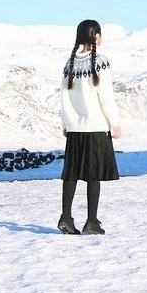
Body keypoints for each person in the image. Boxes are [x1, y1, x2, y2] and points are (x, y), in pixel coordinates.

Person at [58, 19, 121, 235]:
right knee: (93, 176)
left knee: (72, 174)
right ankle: (91, 222)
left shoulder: (70, 64)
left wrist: (66, 123)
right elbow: (106, 96)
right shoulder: (100, 62)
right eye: (100, 34)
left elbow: (64, 98)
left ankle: (66, 217)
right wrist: (115, 122)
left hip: (75, 129)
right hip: (95, 127)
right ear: (95, 36)